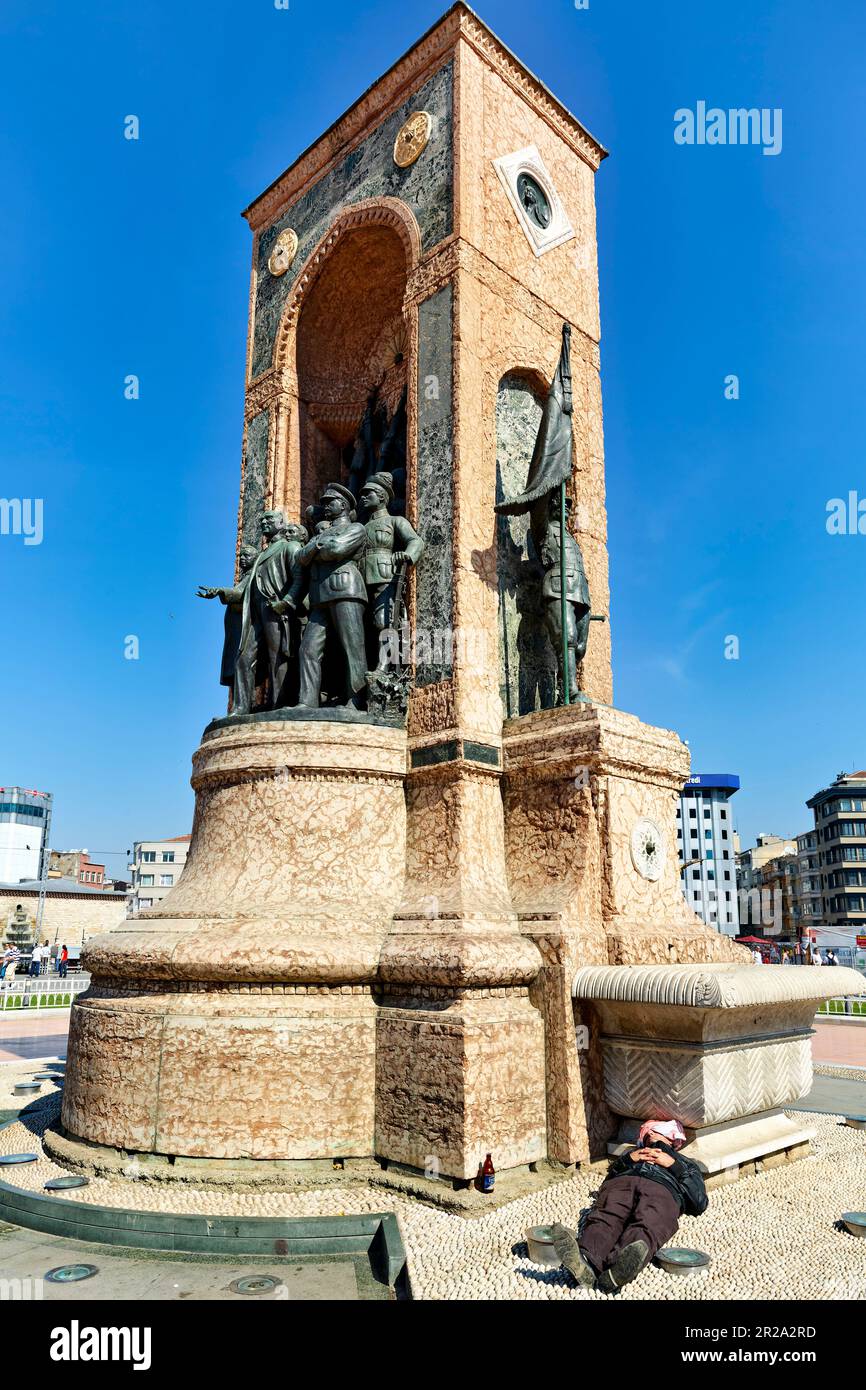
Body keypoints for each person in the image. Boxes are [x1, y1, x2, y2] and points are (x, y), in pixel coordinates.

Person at [550, 1119, 708, 1294]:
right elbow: (606, 1183)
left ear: (672, 1140)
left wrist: (673, 1165)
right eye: (648, 1132)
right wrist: (627, 1160)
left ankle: (618, 1270)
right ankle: (585, 1262)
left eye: (657, 1131)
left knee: (649, 1223)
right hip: (622, 1183)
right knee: (607, 1215)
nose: (651, 1134)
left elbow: (699, 1203)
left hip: (663, 1189)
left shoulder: (686, 1163)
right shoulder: (632, 1154)